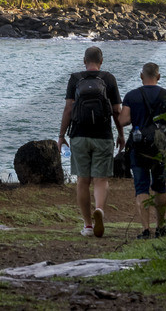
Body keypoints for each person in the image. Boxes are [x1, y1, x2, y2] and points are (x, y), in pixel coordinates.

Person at [57, 45, 123, 238]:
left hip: (79, 135)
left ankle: (87, 225)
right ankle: (100, 209)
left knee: (82, 181)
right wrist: (121, 134)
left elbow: (68, 109)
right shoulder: (108, 78)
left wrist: (61, 136)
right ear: (101, 62)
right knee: (101, 179)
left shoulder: (76, 78)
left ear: (84, 61)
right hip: (103, 136)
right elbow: (117, 110)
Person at [120, 61, 166, 239]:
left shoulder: (131, 96)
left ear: (141, 76)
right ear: (158, 76)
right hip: (160, 146)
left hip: (138, 146)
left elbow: (123, 121)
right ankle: (161, 227)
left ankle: (145, 230)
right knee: (160, 187)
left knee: (141, 187)